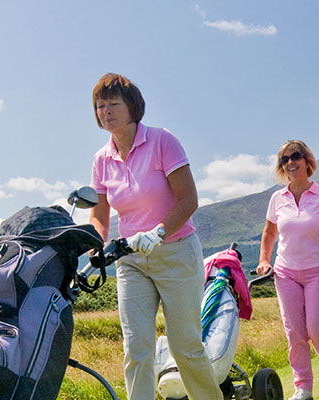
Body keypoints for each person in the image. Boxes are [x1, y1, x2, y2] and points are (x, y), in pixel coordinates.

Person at [87, 73, 221, 400]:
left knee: (185, 345)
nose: (106, 111)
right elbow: (99, 214)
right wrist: (96, 242)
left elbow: (189, 199)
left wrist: (159, 232)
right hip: (131, 261)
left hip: (176, 253)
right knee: (136, 348)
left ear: (132, 106)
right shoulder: (101, 159)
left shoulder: (162, 141)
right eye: (100, 106)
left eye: (113, 104)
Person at [256, 140, 319, 400]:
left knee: (316, 329)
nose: (290, 162)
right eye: (284, 159)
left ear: (306, 160)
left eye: (295, 156)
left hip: (318, 270)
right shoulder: (277, 198)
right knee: (295, 332)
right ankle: (303, 387)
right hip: (286, 273)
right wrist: (264, 259)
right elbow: (270, 232)